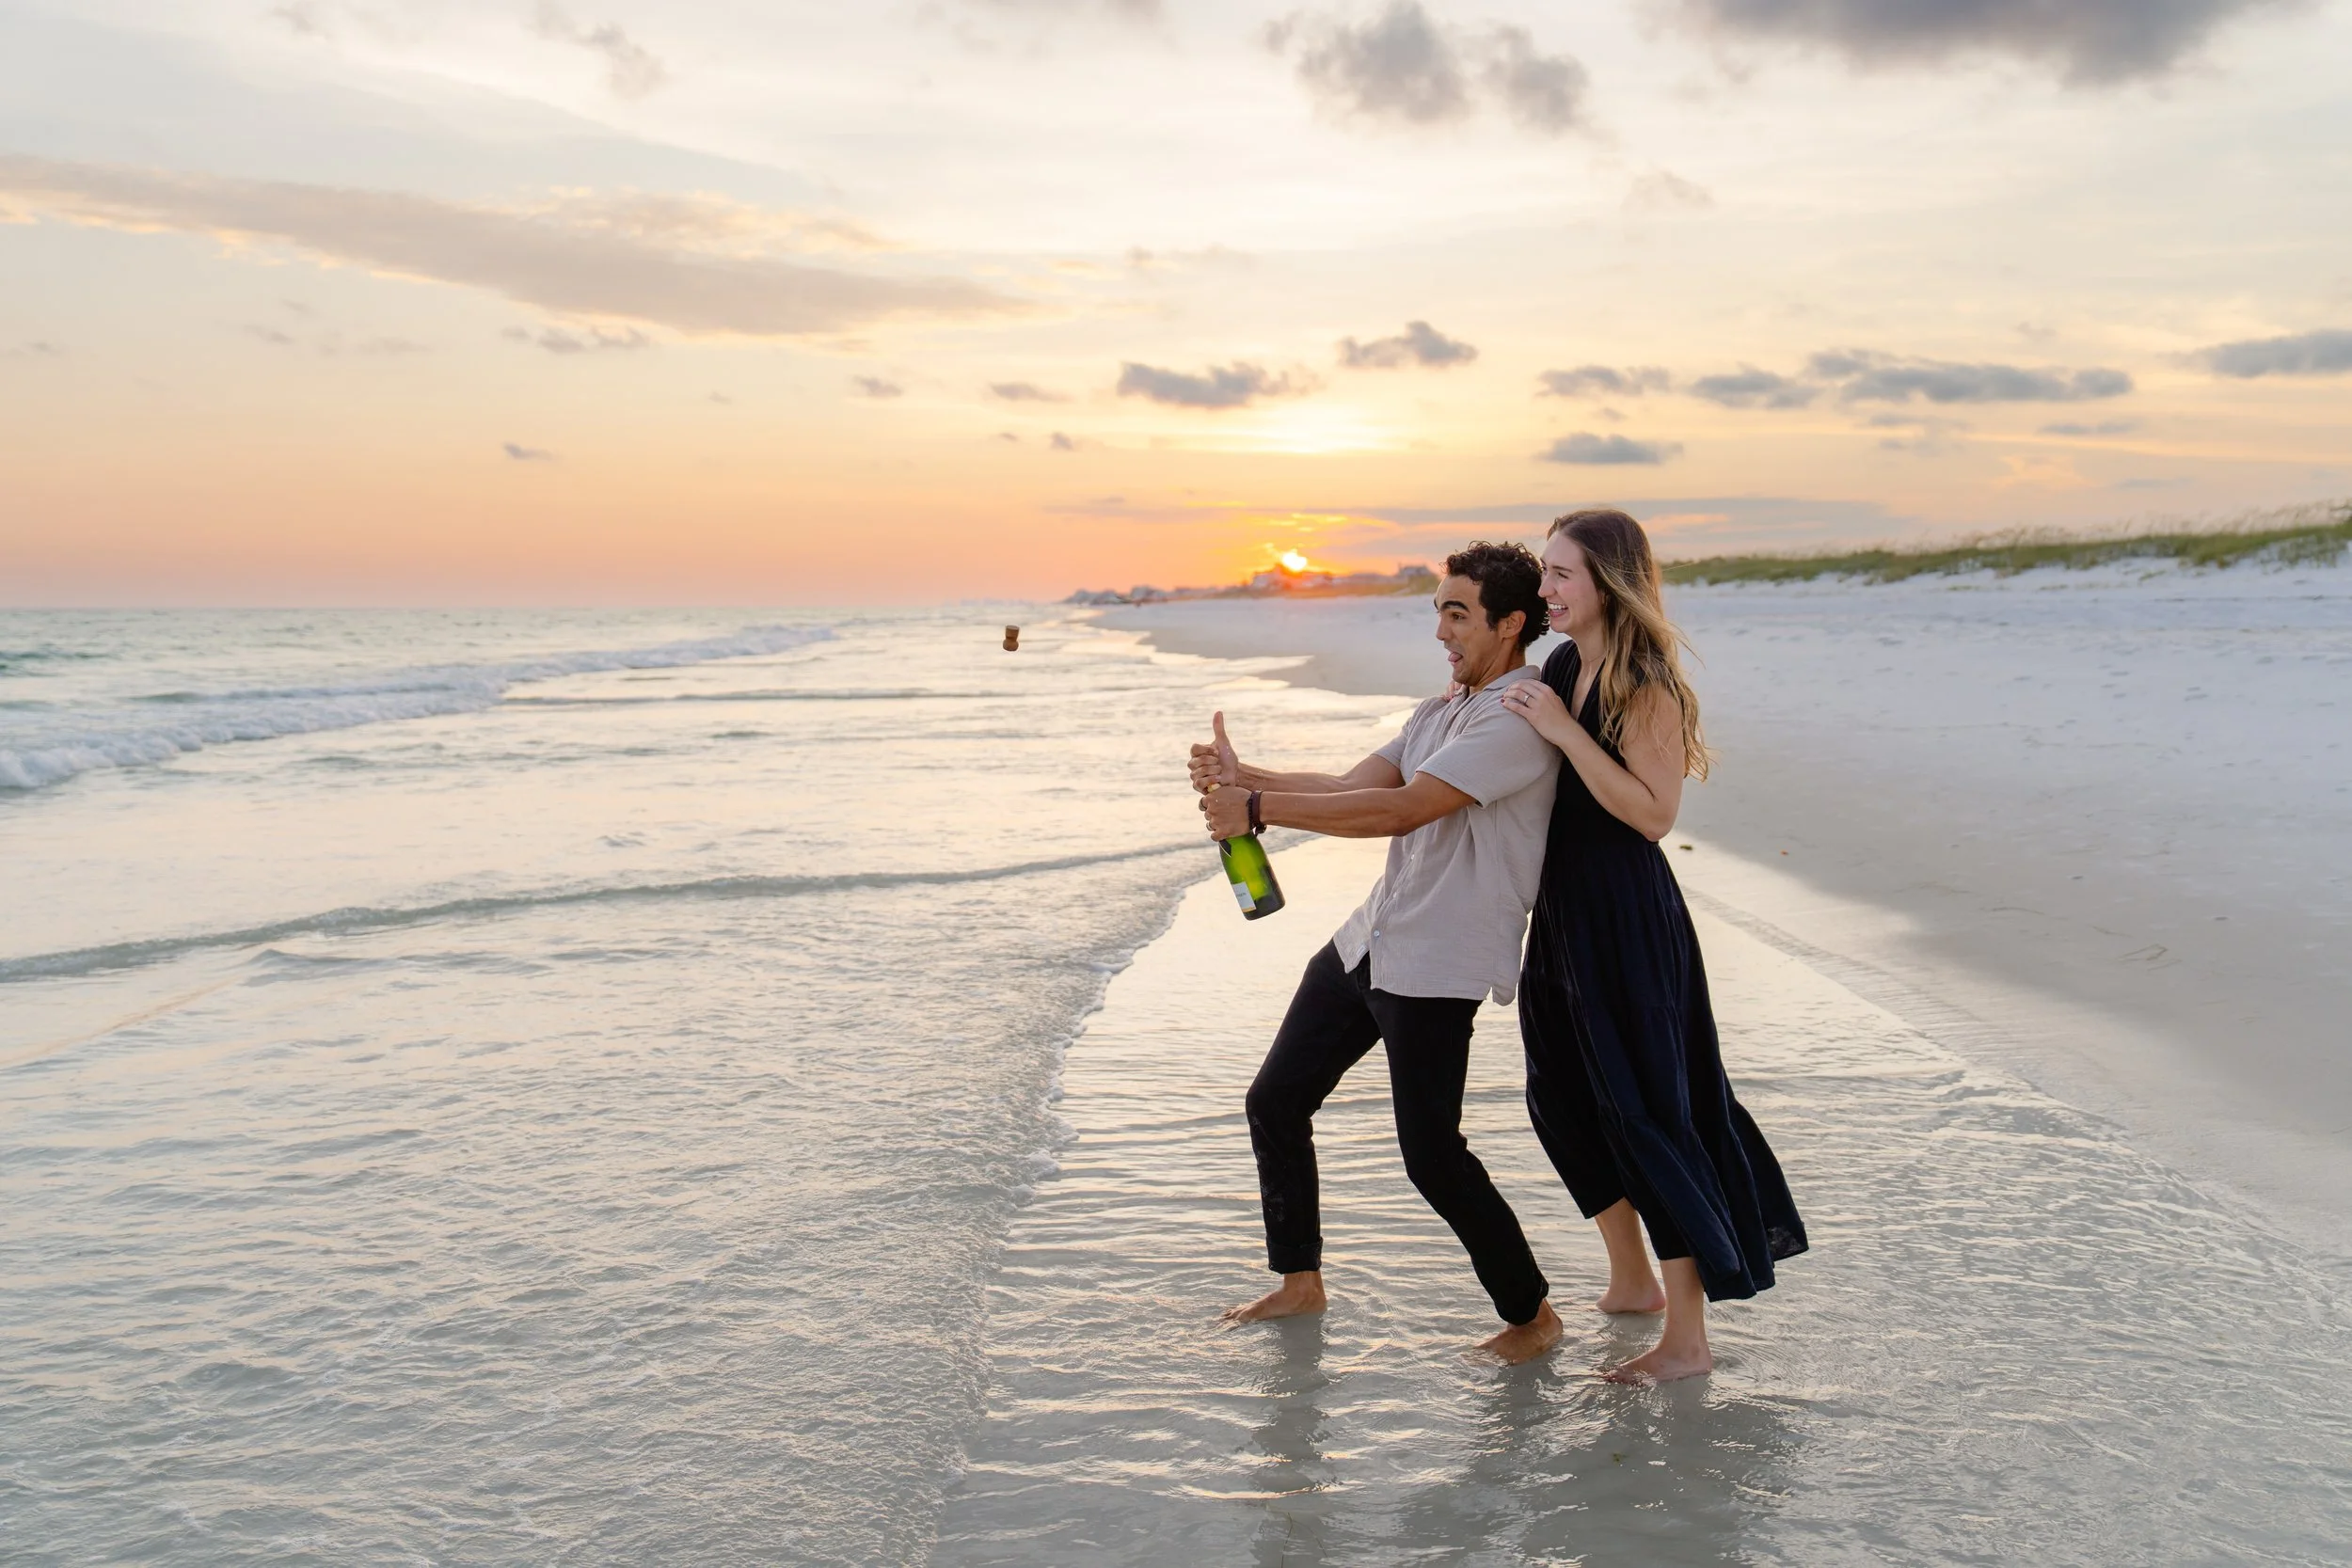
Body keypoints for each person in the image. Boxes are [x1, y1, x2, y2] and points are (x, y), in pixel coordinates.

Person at [1191, 543, 1565, 1364]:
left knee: (1431, 1154)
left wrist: (1254, 806)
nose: (1440, 628)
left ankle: (1533, 1316)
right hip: (1374, 937)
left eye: (1457, 611)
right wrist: (1243, 773)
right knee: (1276, 1100)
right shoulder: (1438, 711)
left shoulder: (1515, 720)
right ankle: (1299, 1280)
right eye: (1438, 608)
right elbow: (1350, 785)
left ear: (1509, 624)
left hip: (1438, 962)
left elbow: (1404, 811)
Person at [1496, 508, 1808, 1385]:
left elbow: (1653, 815)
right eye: (1546, 570)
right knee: (1559, 1098)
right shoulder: (1563, 661)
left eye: (1562, 574)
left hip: (1627, 921)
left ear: (1608, 583)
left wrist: (1561, 731)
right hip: (1562, 915)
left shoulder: (1644, 683)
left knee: (1648, 1109)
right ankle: (1630, 1280)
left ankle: (1686, 1336)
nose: (1546, 587)